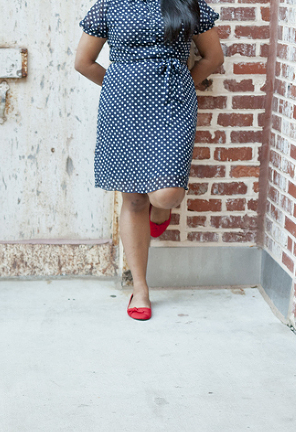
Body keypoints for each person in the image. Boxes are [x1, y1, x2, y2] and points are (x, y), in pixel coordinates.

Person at [75, 0, 224, 320]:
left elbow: (213, 57)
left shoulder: (188, 4)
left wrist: (185, 84)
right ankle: (140, 287)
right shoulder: (109, 7)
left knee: (167, 193)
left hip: (172, 103)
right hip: (124, 108)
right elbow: (83, 62)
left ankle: (161, 214)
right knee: (134, 198)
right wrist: (122, 86)